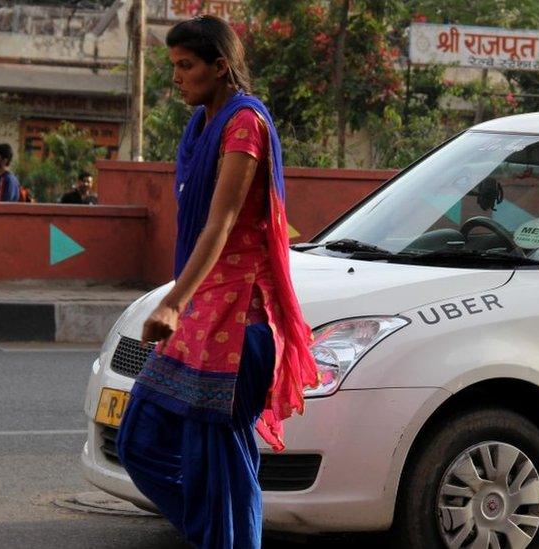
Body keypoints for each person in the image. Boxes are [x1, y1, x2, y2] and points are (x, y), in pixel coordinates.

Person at [114, 15, 318, 549]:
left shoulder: (243, 123)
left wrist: (172, 303)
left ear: (220, 66)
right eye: (174, 67)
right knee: (140, 439)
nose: (176, 78)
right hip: (204, 308)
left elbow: (222, 222)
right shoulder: (201, 124)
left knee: (223, 467)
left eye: (187, 66)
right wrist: (184, 301)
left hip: (239, 314)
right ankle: (218, 534)